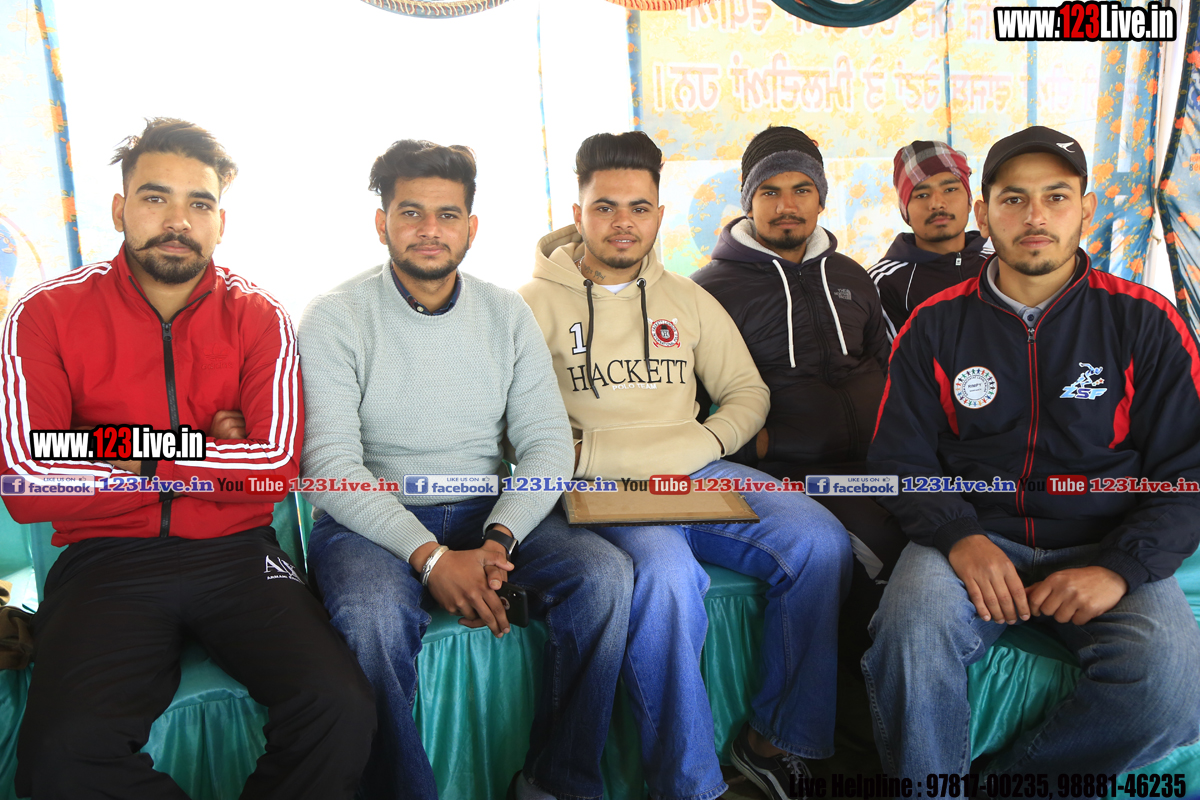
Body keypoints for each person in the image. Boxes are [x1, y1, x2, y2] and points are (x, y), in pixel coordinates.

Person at [1, 117, 375, 799]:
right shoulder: (45, 314)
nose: (178, 221)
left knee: (339, 707)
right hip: (106, 559)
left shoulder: (259, 316)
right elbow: (27, 479)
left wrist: (114, 450)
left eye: (198, 204)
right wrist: (207, 453)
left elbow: (275, 468)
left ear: (220, 223)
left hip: (238, 554)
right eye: (155, 198)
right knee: (61, 755)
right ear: (120, 209)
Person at [519, 131, 852, 800]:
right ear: (578, 212)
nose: (623, 222)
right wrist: (587, 457)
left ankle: (774, 741)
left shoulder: (687, 298)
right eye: (606, 206)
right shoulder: (528, 305)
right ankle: (690, 785)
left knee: (821, 542)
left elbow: (747, 393)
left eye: (639, 207)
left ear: (659, 215)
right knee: (668, 578)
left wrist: (703, 444)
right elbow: (511, 423)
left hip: (694, 473)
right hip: (601, 487)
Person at [296, 139, 632, 800]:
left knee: (605, 575)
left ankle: (555, 783)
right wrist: (430, 559)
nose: (430, 229)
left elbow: (546, 447)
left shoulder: (506, 313)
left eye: (447, 215)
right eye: (411, 213)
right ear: (381, 224)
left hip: (487, 512)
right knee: (368, 616)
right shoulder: (335, 316)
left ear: (471, 228)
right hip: (370, 522)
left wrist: (499, 541)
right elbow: (329, 467)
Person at [864, 125, 1200, 779]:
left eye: (1056, 196)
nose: (1035, 216)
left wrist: (1121, 568)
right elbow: (900, 460)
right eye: (1014, 199)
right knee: (909, 631)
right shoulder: (933, 324)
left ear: (1086, 209)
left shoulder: (1145, 321)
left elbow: (1188, 473)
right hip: (972, 533)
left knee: (1170, 683)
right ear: (984, 212)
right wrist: (958, 536)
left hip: (1107, 539)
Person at [692, 127, 905, 659]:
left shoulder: (853, 275)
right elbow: (687, 405)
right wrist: (759, 446)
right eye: (770, 192)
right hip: (788, 475)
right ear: (748, 200)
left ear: (821, 198)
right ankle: (857, 695)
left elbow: (890, 368)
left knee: (948, 529)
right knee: (885, 552)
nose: (787, 206)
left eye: (802, 190)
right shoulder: (708, 291)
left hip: (879, 465)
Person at [868, 140, 992, 339]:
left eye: (950, 190)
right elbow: (896, 355)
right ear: (905, 212)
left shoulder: (1000, 261)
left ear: (969, 202)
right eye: (922, 194)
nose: (937, 203)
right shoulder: (884, 283)